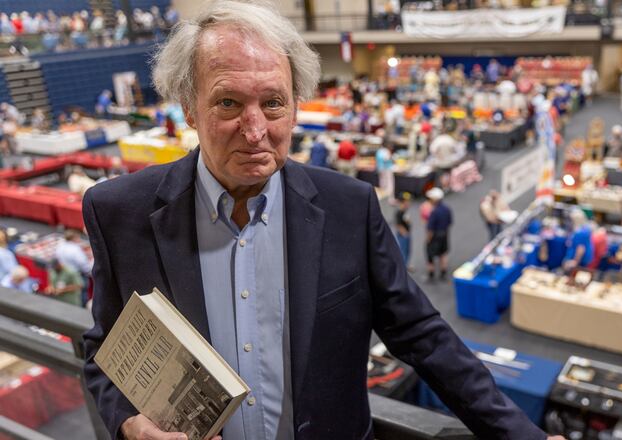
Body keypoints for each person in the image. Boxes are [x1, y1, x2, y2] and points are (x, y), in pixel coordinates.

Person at [83, 2, 556, 439]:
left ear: (295, 106)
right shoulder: (120, 213)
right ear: (189, 106)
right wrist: (127, 422)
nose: (255, 130)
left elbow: (422, 336)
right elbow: (105, 351)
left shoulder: (349, 207)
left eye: (273, 102)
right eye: (228, 103)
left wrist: (521, 435)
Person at [425, 187, 452, 282]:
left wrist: (428, 240)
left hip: (435, 236)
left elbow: (430, 229)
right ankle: (443, 273)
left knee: (430, 255)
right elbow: (449, 222)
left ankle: (431, 275)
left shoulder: (434, 212)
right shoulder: (447, 209)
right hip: (444, 234)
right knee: (443, 253)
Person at [394, 193, 412, 268]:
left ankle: (406, 265)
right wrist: (405, 234)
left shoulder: (405, 210)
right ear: (402, 202)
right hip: (403, 235)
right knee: (403, 251)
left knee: (407, 251)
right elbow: (398, 225)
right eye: (407, 201)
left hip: (407, 234)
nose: (409, 203)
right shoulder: (399, 212)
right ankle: (403, 268)